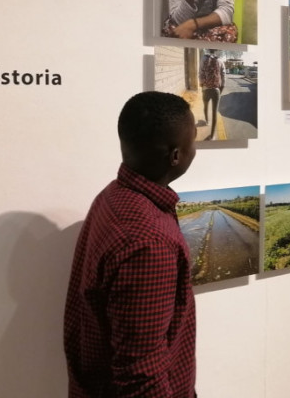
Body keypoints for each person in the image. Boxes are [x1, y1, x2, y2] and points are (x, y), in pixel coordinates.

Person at [64, 91, 198, 398]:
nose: (196, 149)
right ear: (175, 156)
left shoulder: (113, 197)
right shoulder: (149, 243)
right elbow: (141, 375)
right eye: (194, 141)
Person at [199, 49, 226, 140]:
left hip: (206, 89)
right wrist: (221, 88)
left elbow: (201, 72)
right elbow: (223, 75)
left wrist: (202, 85)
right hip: (216, 90)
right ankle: (212, 136)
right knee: (215, 112)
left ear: (208, 49)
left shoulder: (204, 58)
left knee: (205, 106)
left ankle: (207, 121)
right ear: (216, 51)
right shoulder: (220, 60)